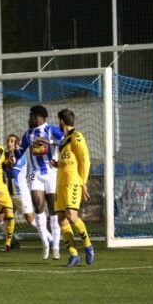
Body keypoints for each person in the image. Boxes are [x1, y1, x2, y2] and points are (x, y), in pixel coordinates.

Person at [14, 105, 65, 259]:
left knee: (53, 209)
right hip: (35, 174)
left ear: (39, 117)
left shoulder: (52, 129)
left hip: (52, 174)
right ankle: (45, 244)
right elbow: (19, 152)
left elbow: (65, 143)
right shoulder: (28, 134)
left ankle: (56, 245)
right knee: (38, 206)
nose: (30, 119)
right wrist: (14, 151)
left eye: (32, 116)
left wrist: (48, 141)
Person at [55, 108, 94, 267]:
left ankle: (88, 245)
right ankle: (73, 254)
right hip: (61, 183)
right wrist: (57, 164)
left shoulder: (77, 136)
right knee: (61, 219)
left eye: (58, 121)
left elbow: (85, 160)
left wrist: (83, 182)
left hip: (73, 182)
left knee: (72, 216)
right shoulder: (64, 141)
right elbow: (68, 161)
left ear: (62, 121)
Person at [4, 134, 52, 258]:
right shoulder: (5, 156)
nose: (9, 143)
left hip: (21, 194)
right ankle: (11, 240)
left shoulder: (21, 158)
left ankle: (50, 239)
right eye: (8, 141)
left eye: (12, 141)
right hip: (9, 194)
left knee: (30, 220)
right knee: (0, 218)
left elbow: (12, 173)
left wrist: (2, 165)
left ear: (17, 144)